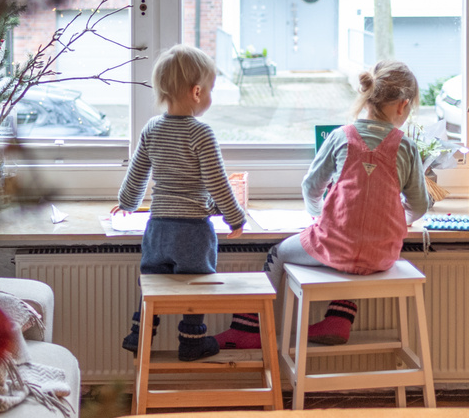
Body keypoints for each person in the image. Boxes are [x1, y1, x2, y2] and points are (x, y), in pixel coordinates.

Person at [215, 60, 432, 349]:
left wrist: (320, 216)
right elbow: (419, 205)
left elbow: (310, 187)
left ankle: (248, 329)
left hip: (334, 245)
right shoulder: (406, 147)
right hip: (382, 255)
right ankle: (339, 319)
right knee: (354, 259)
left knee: (277, 254)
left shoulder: (340, 137)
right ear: (403, 106)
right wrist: (397, 219)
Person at [114, 44, 246, 361]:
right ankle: (191, 342)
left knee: (152, 283)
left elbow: (137, 176)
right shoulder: (201, 134)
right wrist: (235, 217)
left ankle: (140, 333)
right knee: (196, 287)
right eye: (212, 89)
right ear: (197, 92)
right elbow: (217, 183)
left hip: (157, 228)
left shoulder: (152, 129)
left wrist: (127, 203)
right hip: (193, 231)